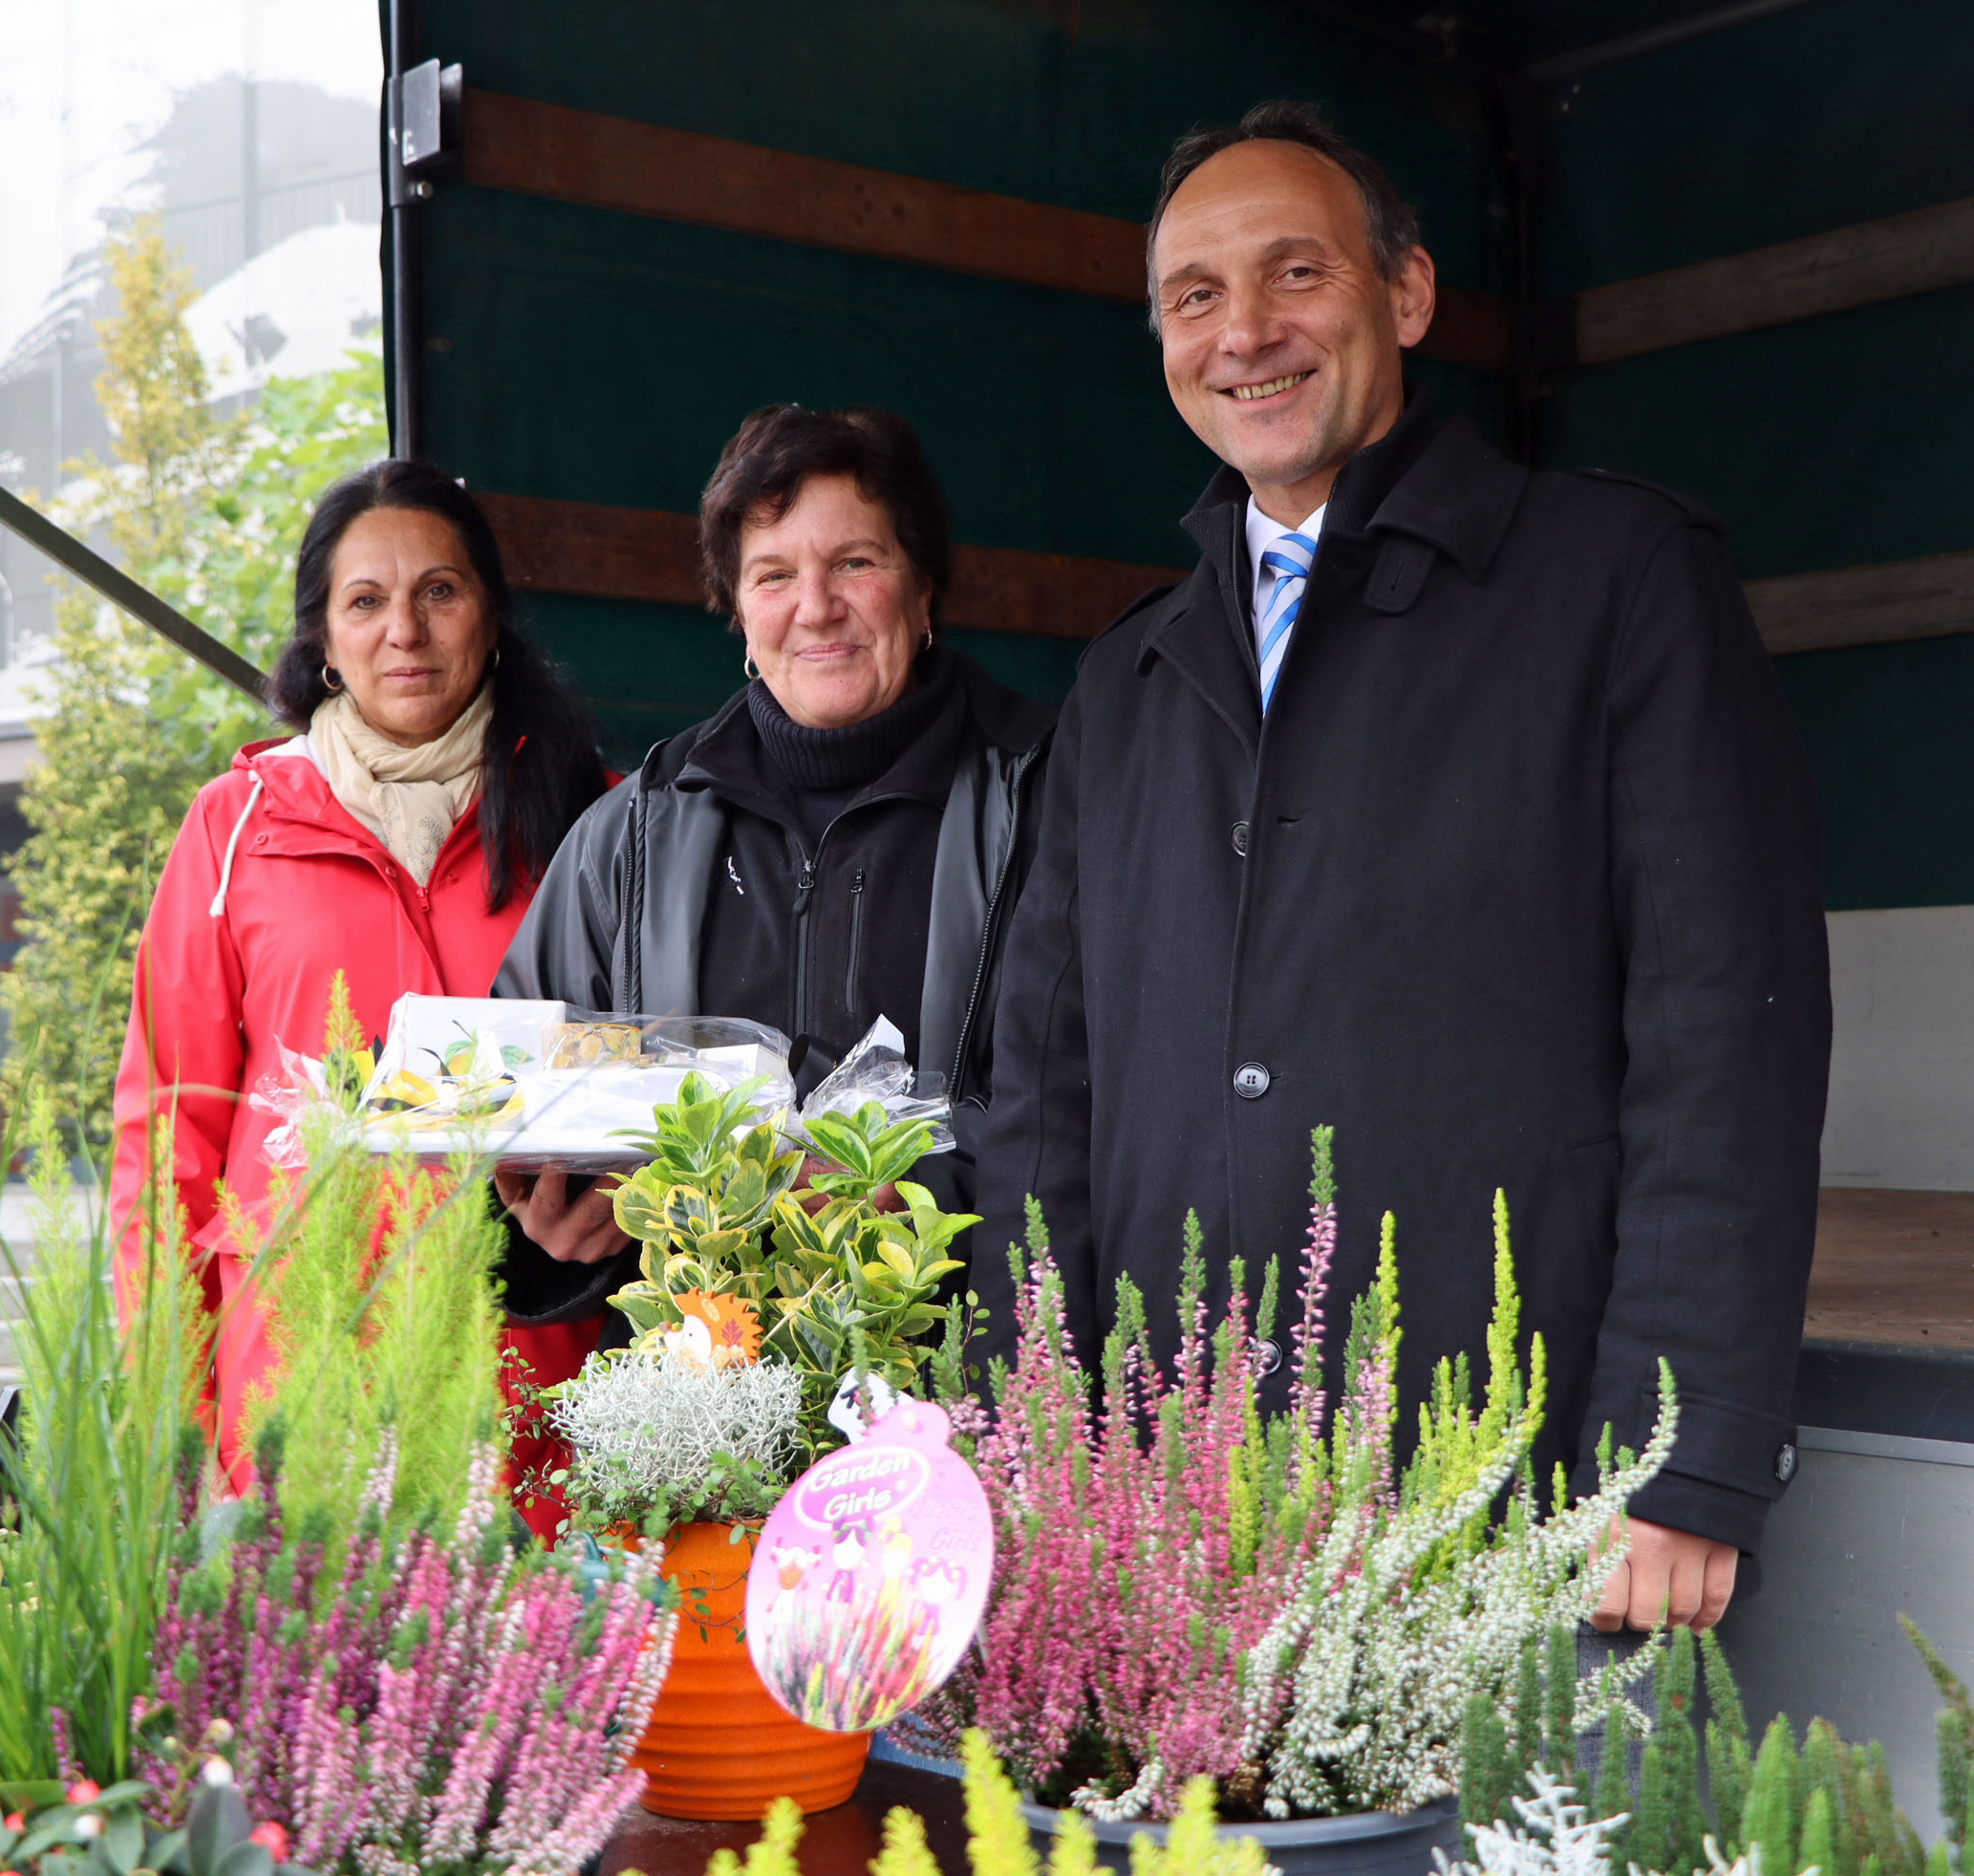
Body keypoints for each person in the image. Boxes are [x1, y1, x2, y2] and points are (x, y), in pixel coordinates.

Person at [972, 102, 1831, 1635]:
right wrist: (1027, 1428)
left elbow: (1727, 1034)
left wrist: (1683, 1455)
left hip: (1523, 1490)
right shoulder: (1128, 681)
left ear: (1410, 297)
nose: (1244, 333)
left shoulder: (1617, 582)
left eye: (1295, 274)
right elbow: (1047, 1092)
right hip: (1182, 1509)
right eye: (1194, 298)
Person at [110, 460, 612, 1496]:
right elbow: (165, 1136)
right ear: (325, 640)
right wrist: (169, 1408)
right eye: (366, 600)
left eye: (440, 590)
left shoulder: (599, 818)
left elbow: (660, 1085)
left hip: (549, 1389)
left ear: (489, 615)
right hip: (298, 1384)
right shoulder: (236, 825)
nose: (405, 631)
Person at [493, 404, 1057, 1315]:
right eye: (773, 574)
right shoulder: (629, 835)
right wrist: (552, 1221)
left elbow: (1117, 1097)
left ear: (924, 590)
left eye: (856, 563)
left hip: (970, 1388)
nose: (816, 607)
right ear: (737, 608)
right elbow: (517, 1086)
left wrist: (915, 1195)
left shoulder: (1053, 804)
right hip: (701, 1396)